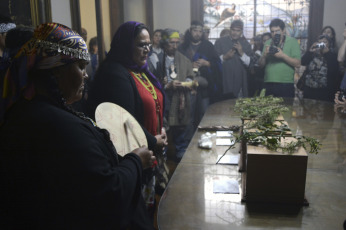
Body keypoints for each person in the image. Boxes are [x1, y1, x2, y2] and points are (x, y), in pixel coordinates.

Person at [0, 22, 155, 230]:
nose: (86, 75)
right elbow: (108, 194)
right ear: (55, 71)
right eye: (80, 67)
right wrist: (136, 160)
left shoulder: (38, 110)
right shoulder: (53, 126)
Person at [85, 21, 168, 221]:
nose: (147, 49)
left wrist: (161, 126)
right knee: (135, 214)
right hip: (130, 155)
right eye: (141, 45)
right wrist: (153, 141)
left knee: (147, 207)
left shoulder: (141, 69)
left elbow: (155, 102)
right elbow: (125, 120)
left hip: (149, 149)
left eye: (149, 44)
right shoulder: (115, 72)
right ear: (126, 45)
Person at [155, 28, 196, 162]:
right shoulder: (156, 59)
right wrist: (167, 85)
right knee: (163, 128)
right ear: (165, 43)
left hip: (180, 100)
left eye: (177, 43)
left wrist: (187, 82)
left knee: (180, 129)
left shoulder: (184, 59)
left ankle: (181, 154)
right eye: (171, 43)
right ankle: (163, 155)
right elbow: (151, 82)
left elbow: (191, 76)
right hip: (163, 99)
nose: (175, 46)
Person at [178, 20, 222, 128]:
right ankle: (189, 140)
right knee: (189, 114)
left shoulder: (208, 46)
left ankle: (203, 136)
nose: (197, 33)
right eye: (195, 31)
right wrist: (189, 65)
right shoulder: (183, 47)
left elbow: (218, 64)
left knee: (204, 113)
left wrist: (207, 63)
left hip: (205, 87)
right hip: (187, 86)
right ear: (190, 31)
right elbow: (176, 65)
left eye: (200, 31)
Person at [258, 18, 301, 98]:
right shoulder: (268, 42)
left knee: (286, 109)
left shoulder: (292, 42)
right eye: (272, 31)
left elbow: (298, 63)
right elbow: (261, 65)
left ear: (283, 30)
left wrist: (282, 56)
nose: (274, 34)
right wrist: (264, 56)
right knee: (268, 109)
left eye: (277, 31)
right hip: (268, 82)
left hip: (285, 83)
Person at [214, 19, 254, 99]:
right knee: (224, 106)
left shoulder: (246, 45)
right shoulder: (220, 42)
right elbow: (213, 62)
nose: (235, 33)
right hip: (224, 79)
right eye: (233, 30)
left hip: (240, 82)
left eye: (238, 31)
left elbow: (250, 64)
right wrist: (225, 57)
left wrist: (241, 53)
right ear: (230, 30)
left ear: (241, 31)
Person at [300, 34, 338, 102]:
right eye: (320, 42)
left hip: (324, 91)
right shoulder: (313, 53)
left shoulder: (332, 55)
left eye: (325, 42)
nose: (322, 44)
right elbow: (303, 62)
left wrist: (327, 53)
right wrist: (309, 51)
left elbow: (334, 71)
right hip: (309, 88)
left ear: (329, 44)